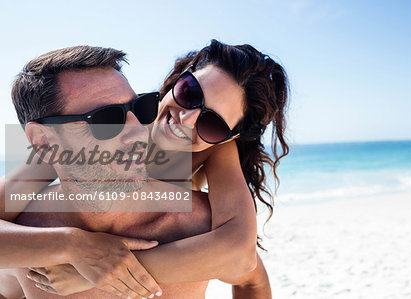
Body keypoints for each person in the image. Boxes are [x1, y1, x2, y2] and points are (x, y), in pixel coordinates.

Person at [0, 40, 289, 298]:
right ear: (178, 80)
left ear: (229, 137)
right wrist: (73, 246)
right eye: (190, 94)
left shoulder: (215, 154)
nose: (185, 120)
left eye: (212, 123)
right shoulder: (78, 141)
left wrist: (99, 267)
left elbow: (239, 254)